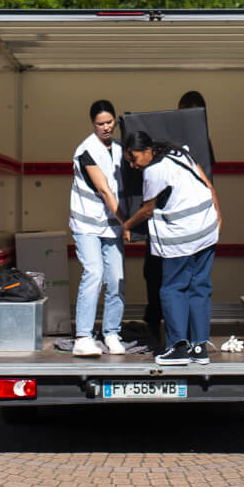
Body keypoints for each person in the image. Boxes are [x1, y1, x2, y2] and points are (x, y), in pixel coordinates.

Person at [122, 129, 219, 366]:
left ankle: (177, 348)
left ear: (147, 151)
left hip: (182, 235)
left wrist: (126, 226)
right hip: (206, 228)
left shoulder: (154, 171)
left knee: (172, 289)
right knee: (200, 287)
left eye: (134, 159)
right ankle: (199, 348)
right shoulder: (179, 152)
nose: (134, 165)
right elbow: (207, 183)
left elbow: (147, 209)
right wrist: (218, 216)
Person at [69, 100, 127, 356]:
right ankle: (83, 336)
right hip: (87, 224)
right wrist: (128, 222)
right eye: (100, 123)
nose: (105, 127)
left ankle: (112, 333)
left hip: (112, 225)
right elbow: (104, 189)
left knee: (116, 277)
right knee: (94, 272)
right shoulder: (86, 150)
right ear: (93, 124)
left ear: (115, 120)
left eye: (109, 122)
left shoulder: (120, 148)